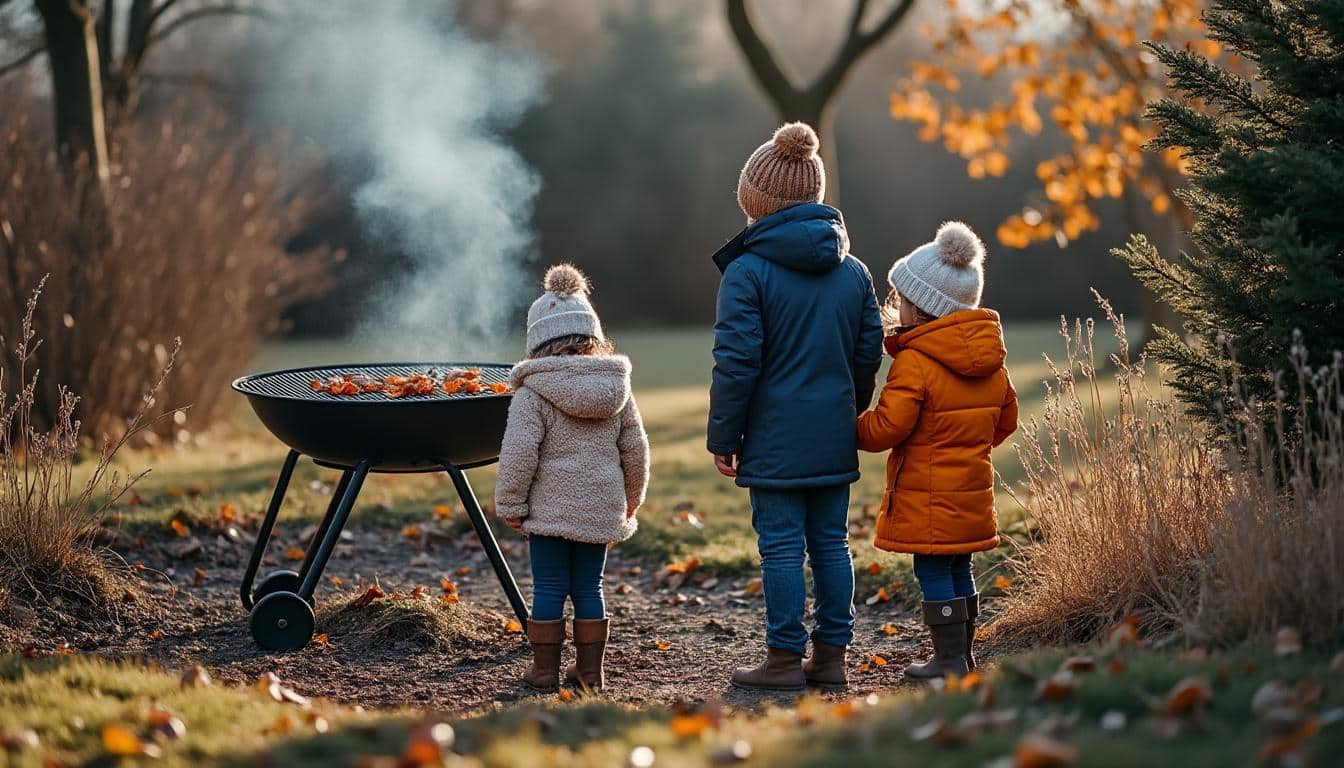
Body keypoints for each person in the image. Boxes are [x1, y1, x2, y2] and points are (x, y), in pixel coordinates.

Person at [708, 122, 884, 691]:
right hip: (832, 430)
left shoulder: (747, 272)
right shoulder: (854, 271)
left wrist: (724, 436)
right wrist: (847, 410)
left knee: (782, 545)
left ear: (755, 201)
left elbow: (737, 362)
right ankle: (831, 658)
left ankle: (784, 660)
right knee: (832, 542)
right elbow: (867, 354)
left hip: (773, 436)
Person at [857, 221, 1018, 680]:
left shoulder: (916, 361)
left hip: (928, 496)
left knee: (931, 571)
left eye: (901, 299)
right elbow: (1006, 420)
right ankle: (963, 656)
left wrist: (850, 427)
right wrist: (965, 445)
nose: (896, 306)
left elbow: (888, 427)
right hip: (971, 490)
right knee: (959, 567)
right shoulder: (992, 361)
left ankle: (947, 661)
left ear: (921, 308)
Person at [495, 264, 650, 692]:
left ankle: (544, 671)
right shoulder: (617, 389)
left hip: (549, 511)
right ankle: (590, 673)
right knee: (589, 586)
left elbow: (518, 453)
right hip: (600, 507)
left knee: (548, 586)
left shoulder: (532, 392)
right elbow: (635, 449)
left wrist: (511, 504)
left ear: (537, 342)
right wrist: (632, 497)